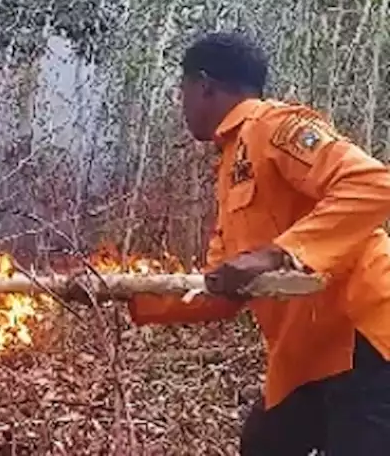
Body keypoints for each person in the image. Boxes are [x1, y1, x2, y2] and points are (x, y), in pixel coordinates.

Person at [96, 32, 390, 454]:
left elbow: (373, 183)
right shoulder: (231, 166)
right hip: (306, 353)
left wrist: (275, 254)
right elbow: (221, 291)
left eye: (182, 92)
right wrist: (129, 295)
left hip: (365, 337)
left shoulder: (276, 127)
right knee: (263, 445)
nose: (181, 104)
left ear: (205, 85)